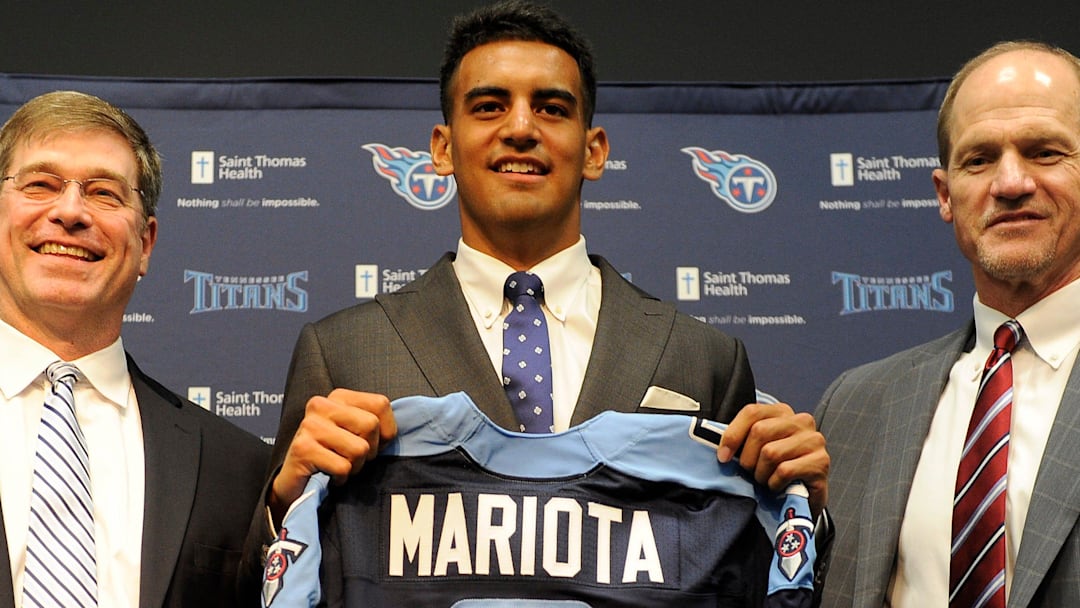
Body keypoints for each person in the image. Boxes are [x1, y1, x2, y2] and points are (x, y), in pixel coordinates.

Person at [253, 0, 829, 601]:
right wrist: (284, 500)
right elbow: (261, 581)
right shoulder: (342, 349)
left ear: (594, 150)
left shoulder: (705, 356)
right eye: (490, 106)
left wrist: (800, 508)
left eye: (552, 108)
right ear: (443, 148)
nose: (522, 127)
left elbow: (747, 578)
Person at [816, 40, 1080, 607]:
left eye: (1044, 152)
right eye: (978, 159)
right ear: (945, 195)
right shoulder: (857, 404)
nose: (1010, 183)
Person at [0, 90, 270, 607]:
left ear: (145, 244)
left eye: (104, 193)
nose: (70, 211)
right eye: (40, 184)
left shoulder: (237, 467)